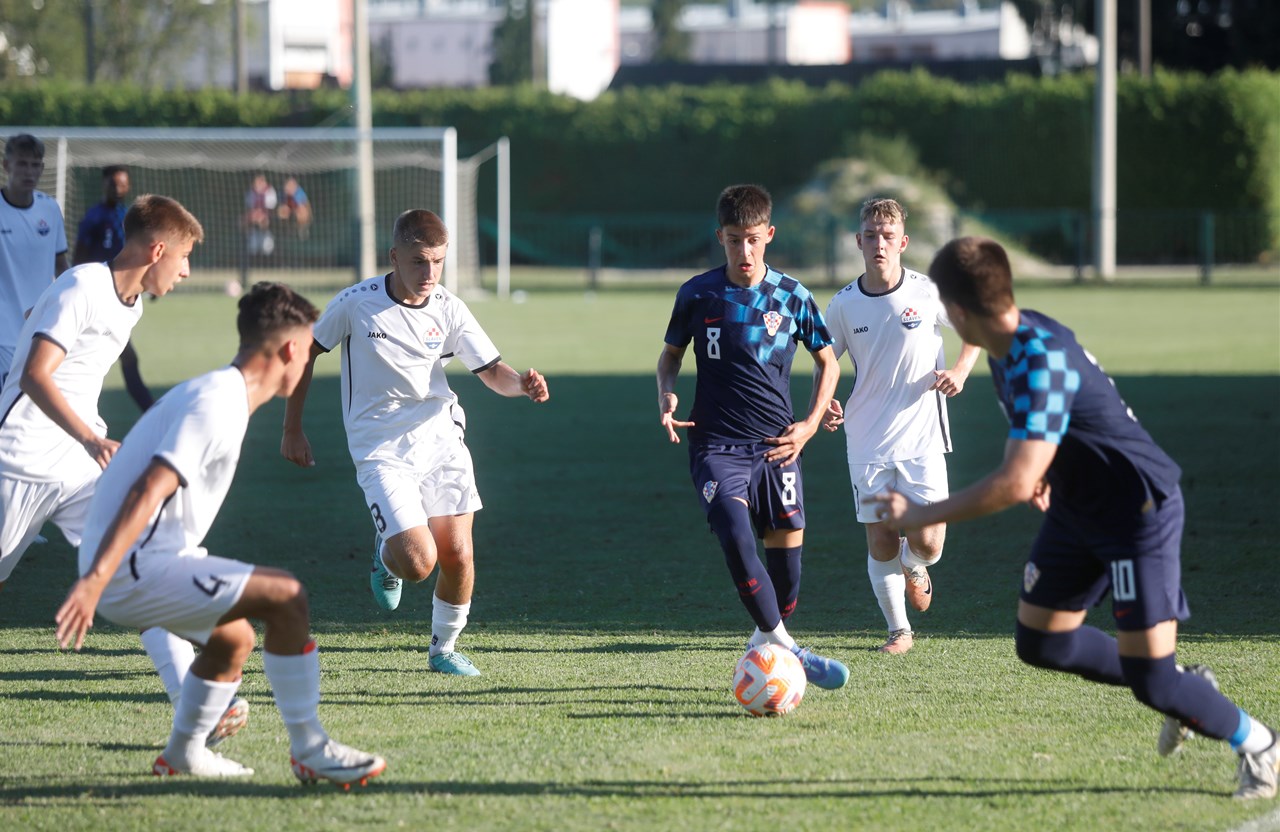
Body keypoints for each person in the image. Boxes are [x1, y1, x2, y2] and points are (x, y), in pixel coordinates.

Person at [866, 236, 1278, 800]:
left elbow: (1011, 483)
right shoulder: (1008, 341)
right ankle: (1183, 690)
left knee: (1151, 677)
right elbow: (1064, 434)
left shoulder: (1039, 357)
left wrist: (922, 512)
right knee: (1041, 642)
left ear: (957, 314)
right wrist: (1050, 473)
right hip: (1078, 507)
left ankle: (1260, 743)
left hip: (1137, 513)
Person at [55, 282, 386, 787]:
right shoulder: (216, 400)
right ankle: (310, 748)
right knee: (287, 597)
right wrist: (96, 580)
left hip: (141, 562)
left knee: (233, 639)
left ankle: (184, 752)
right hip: (130, 569)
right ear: (293, 350)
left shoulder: (221, 393)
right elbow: (150, 487)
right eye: (309, 350)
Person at [0, 194, 247, 747]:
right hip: (18, 458)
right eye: (183, 257)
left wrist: (90, 440)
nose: (186, 270)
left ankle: (193, 699)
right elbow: (37, 375)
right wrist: (90, 436)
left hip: (80, 462)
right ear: (157, 249)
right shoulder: (84, 285)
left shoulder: (129, 301)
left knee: (141, 558)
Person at [281, 209, 549, 677]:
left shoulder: (449, 307)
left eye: (438, 262)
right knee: (418, 562)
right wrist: (292, 427)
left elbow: (491, 372)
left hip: (441, 439)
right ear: (395, 256)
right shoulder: (355, 303)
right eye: (419, 261)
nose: (429, 274)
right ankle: (385, 552)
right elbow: (305, 353)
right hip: (380, 449)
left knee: (459, 553)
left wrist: (521, 384)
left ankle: (443, 649)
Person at [656, 183, 849, 690]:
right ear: (720, 236)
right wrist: (666, 394)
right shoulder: (698, 293)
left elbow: (827, 360)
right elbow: (671, 356)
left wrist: (807, 427)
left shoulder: (792, 295)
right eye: (734, 240)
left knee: (788, 576)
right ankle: (789, 649)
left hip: (779, 446)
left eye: (753, 240)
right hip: (715, 444)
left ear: (769, 234)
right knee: (735, 533)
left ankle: (765, 641)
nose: (745, 251)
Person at [820, 198, 980, 654]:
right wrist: (826, 402)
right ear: (859, 242)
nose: (879, 244)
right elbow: (825, 361)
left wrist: (962, 371)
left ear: (903, 242)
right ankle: (899, 630)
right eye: (870, 235)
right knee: (880, 538)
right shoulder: (844, 305)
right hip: (866, 440)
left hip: (923, 438)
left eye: (887, 236)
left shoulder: (927, 292)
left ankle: (916, 565)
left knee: (929, 543)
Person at [72, 164, 154, 411]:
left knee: (123, 356)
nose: (118, 188)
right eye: (113, 183)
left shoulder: (127, 215)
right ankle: (152, 413)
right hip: (97, 298)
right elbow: (78, 259)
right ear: (103, 185)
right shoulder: (93, 217)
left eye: (122, 184)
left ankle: (151, 412)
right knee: (121, 356)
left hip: (118, 297)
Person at [1, 134, 69, 387]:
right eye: (22, 164)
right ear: (7, 166)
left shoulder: (50, 209)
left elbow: (61, 266)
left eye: (34, 164)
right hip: (3, 335)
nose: (29, 171)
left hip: (41, 330)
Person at [243, 174, 277, 257]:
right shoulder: (250, 193)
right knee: (253, 246)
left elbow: (271, 211)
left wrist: (262, 217)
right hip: (254, 225)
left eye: (260, 182)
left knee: (267, 247)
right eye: (256, 182)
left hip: (268, 224)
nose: (258, 184)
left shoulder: (270, 192)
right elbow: (249, 210)